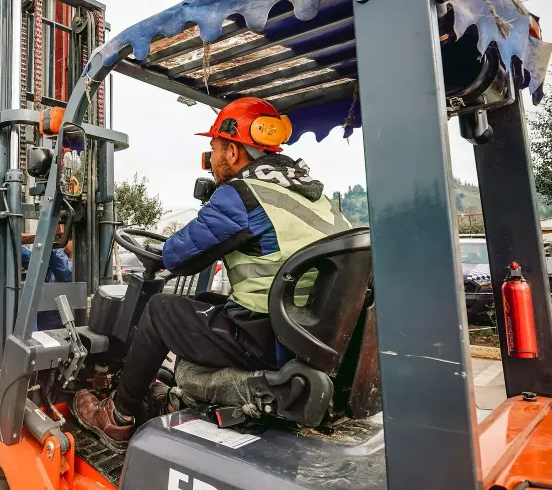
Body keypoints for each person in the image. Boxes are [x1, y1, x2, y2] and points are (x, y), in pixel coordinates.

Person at [72, 97, 349, 448]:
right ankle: (178, 394)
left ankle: (117, 416)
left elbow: (177, 252)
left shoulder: (243, 194)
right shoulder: (312, 195)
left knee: (160, 310)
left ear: (233, 152)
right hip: (306, 335)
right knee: (205, 301)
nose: (212, 159)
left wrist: (166, 251)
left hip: (270, 338)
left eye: (215, 148)